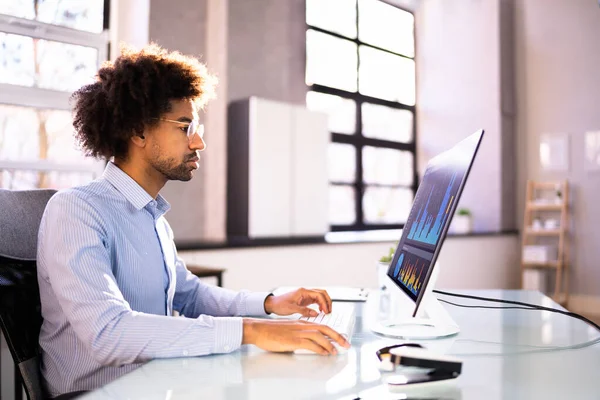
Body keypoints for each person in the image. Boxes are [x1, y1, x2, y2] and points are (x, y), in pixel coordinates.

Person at [37, 43, 349, 398]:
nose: (199, 142)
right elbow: (107, 332)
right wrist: (251, 330)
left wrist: (268, 304)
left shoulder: (152, 217)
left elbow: (189, 295)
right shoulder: (75, 210)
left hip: (160, 383)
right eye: (185, 127)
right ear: (138, 132)